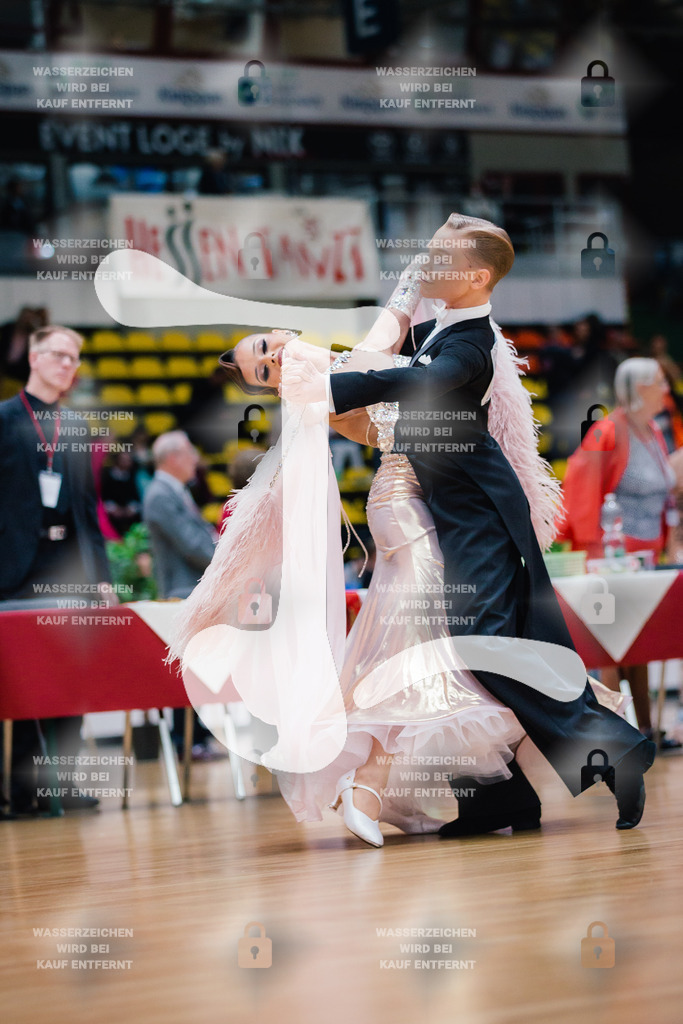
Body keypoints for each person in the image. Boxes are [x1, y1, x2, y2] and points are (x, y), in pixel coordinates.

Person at [171, 261, 629, 846]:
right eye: (263, 370)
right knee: (424, 643)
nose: (273, 360)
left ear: (279, 331)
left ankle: (496, 793)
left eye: (265, 346)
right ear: (269, 385)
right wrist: (418, 275)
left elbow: (395, 327)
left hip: (435, 502)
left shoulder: (344, 364)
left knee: (452, 643)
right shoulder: (324, 389)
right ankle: (365, 788)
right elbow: (388, 359)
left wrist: (426, 269)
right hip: (407, 503)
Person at [283, 213, 655, 833]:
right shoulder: (440, 329)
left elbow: (421, 380)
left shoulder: (469, 345)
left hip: (482, 517)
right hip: (451, 515)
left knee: (482, 650)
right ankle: (499, 799)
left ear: (477, 276)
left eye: (443, 258)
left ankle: (616, 754)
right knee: (467, 655)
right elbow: (395, 337)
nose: (428, 264)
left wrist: (337, 385)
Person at [0, 325, 112, 817]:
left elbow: (88, 511)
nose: (68, 365)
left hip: (68, 574)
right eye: (59, 355)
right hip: (14, 573)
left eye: (75, 358)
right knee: (20, 687)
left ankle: (65, 786)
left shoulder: (77, 427)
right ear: (34, 357)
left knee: (68, 684)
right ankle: (22, 792)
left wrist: (103, 578)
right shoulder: (3, 419)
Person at [557, 357, 681, 748]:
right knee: (610, 646)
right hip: (611, 557)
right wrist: (595, 550)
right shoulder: (607, 431)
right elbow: (580, 487)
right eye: (660, 382)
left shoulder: (654, 433)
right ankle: (616, 731)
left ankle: (645, 727)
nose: (666, 389)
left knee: (640, 644)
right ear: (640, 387)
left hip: (648, 556)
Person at [143, 430, 218, 759]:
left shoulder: (171, 491)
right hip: (180, 592)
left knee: (193, 667)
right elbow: (192, 544)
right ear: (172, 458)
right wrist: (229, 556)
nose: (195, 461)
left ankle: (194, 738)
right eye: (189, 454)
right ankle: (186, 741)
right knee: (186, 670)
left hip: (188, 590)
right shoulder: (161, 494)